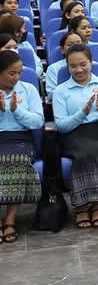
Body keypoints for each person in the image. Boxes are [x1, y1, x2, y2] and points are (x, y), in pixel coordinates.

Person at [52, 44, 98, 230]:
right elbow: (61, 126)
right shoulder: (61, 90)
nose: (79, 70)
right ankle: (82, 207)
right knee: (87, 154)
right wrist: (82, 113)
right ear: (67, 66)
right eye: (73, 66)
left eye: (83, 64)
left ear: (91, 62)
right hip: (74, 133)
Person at [0, 49, 43, 243]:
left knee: (17, 160)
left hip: (21, 140)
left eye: (19, 73)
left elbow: (38, 121)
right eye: (12, 73)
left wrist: (17, 111)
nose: (16, 77)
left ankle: (10, 219)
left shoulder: (28, 90)